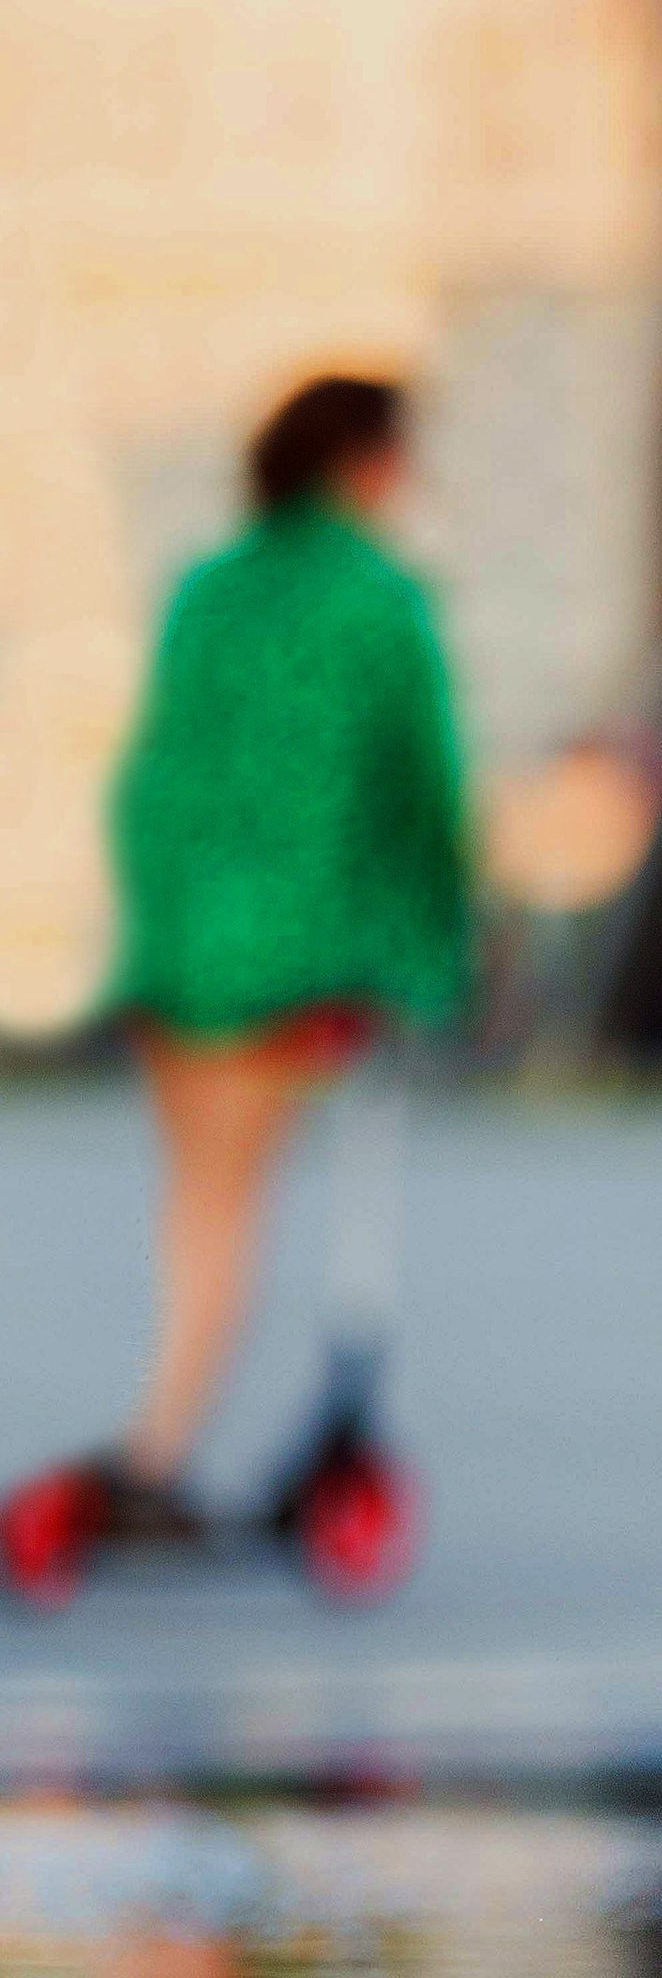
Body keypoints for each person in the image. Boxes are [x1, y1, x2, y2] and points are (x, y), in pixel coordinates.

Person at [2, 374, 472, 1580]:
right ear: (364, 464)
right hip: (296, 962)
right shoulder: (376, 597)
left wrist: (155, 943)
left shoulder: (207, 591)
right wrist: (428, 955)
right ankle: (145, 1459)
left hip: (181, 958)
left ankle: (157, 1445)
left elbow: (157, 777)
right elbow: (419, 791)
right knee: (227, 1217)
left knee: (200, 1206)